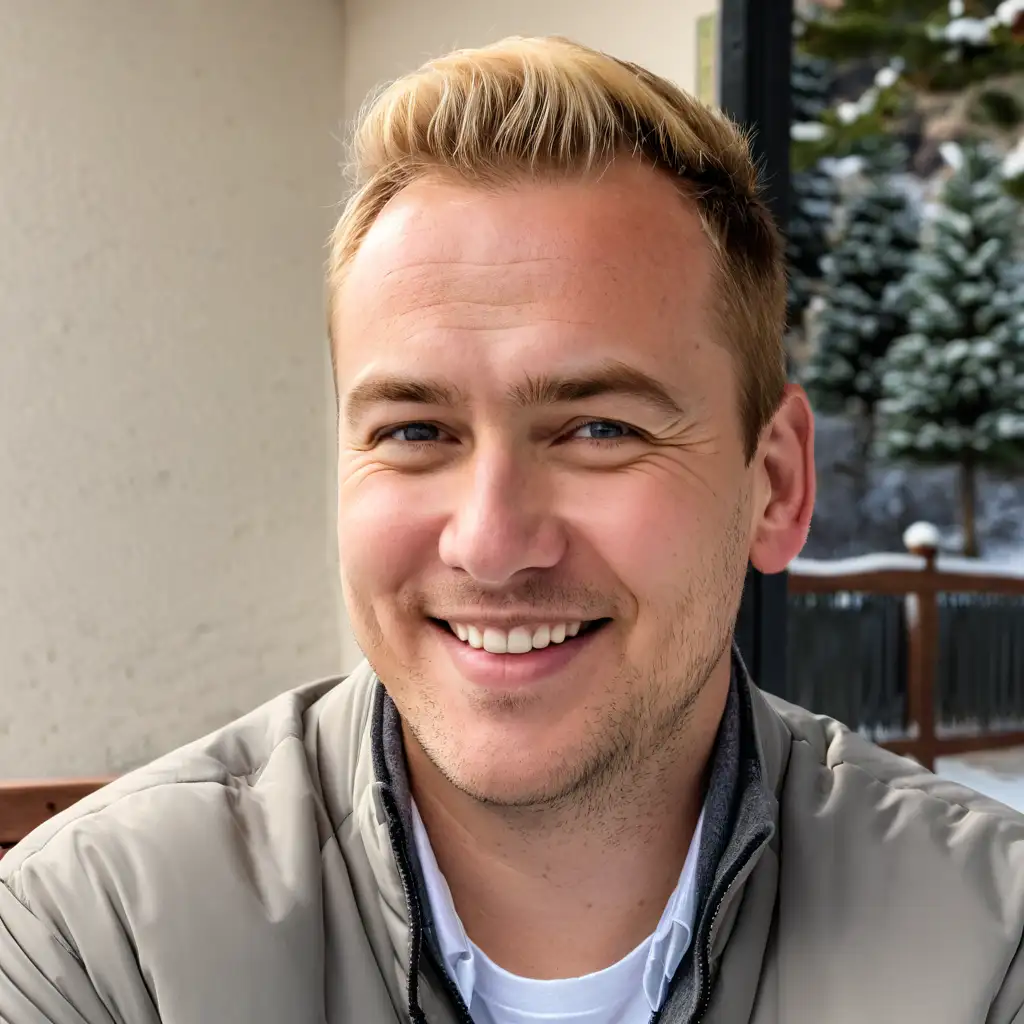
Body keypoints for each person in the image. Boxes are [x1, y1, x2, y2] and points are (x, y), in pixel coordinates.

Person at [2, 35, 1023, 1024]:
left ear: (777, 485)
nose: (490, 542)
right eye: (414, 430)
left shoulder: (986, 947)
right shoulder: (96, 945)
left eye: (598, 428)